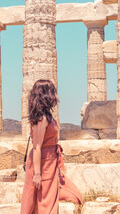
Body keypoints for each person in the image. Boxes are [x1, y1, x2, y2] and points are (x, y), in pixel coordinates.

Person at [20, 79, 82, 214]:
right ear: (46, 94)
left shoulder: (46, 115)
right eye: (53, 91)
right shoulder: (41, 118)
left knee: (51, 199)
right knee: (43, 202)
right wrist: (37, 174)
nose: (55, 95)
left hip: (50, 161)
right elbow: (36, 147)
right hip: (42, 163)